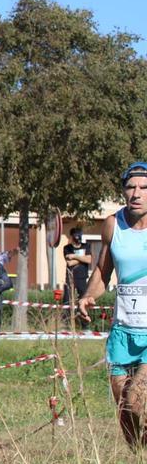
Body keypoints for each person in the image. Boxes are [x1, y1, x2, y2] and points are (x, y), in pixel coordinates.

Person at [78, 162, 147, 448]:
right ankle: (139, 463)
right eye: (131, 187)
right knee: (124, 408)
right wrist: (88, 295)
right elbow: (102, 272)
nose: (136, 194)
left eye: (144, 188)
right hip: (123, 331)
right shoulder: (112, 224)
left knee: (136, 400)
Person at [62, 227, 91, 305]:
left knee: (82, 300)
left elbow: (89, 260)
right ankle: (67, 316)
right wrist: (83, 258)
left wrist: (74, 256)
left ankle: (81, 316)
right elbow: (70, 263)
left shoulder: (86, 246)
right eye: (76, 236)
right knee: (67, 300)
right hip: (70, 277)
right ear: (71, 236)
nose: (77, 238)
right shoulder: (67, 248)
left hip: (82, 277)